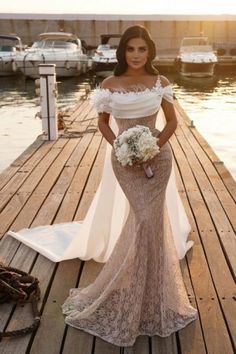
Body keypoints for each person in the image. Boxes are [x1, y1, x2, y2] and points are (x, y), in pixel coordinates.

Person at [61, 25, 198, 347]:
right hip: (124, 161)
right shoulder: (109, 84)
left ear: (150, 52)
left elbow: (173, 122)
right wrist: (121, 148)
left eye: (142, 49)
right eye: (131, 49)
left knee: (150, 222)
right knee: (143, 219)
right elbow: (103, 124)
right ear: (123, 52)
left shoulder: (160, 83)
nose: (136, 55)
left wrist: (154, 147)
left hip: (159, 160)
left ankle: (152, 290)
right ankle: (133, 284)